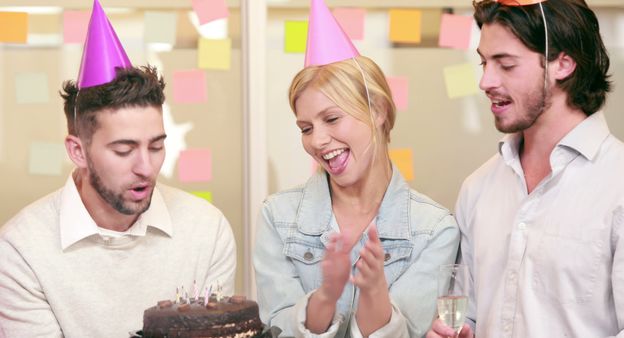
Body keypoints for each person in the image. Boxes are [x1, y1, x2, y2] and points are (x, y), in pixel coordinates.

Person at [0, 1, 236, 337]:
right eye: (124, 150)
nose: (146, 167)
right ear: (78, 151)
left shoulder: (206, 231)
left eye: (156, 146)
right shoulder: (21, 250)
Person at [427, 0, 624, 337]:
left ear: (563, 64)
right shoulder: (477, 188)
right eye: (484, 63)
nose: (485, 81)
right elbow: (467, 315)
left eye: (505, 65)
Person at [253, 1, 459, 337]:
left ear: (378, 110)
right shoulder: (278, 217)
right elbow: (279, 329)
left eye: (332, 119)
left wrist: (374, 293)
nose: (318, 141)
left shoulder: (434, 230)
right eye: (305, 128)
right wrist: (325, 298)